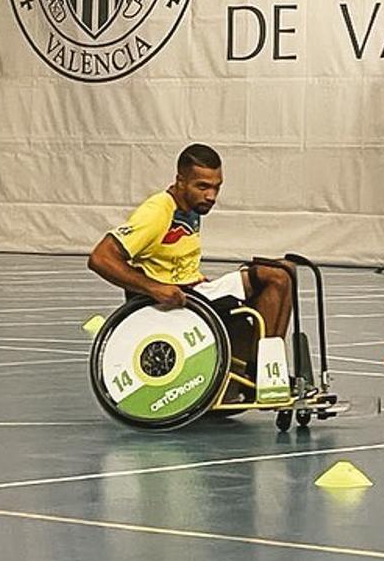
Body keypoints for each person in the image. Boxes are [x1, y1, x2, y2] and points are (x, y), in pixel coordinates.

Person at [87, 143, 295, 399]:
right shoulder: (157, 211)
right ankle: (260, 374)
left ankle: (263, 370)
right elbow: (100, 258)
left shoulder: (190, 208)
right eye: (203, 187)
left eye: (217, 187)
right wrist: (155, 288)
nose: (211, 196)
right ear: (180, 181)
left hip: (195, 288)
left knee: (283, 272)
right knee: (275, 276)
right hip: (174, 302)